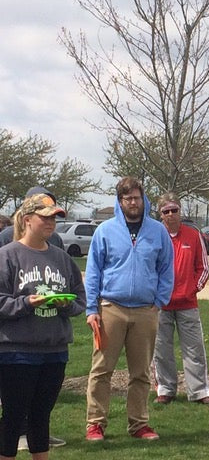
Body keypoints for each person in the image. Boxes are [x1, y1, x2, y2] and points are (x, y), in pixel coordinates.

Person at [84, 177, 174, 441]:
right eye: (127, 199)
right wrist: (92, 308)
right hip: (111, 307)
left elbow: (167, 269)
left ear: (143, 198)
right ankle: (96, 424)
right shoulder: (105, 231)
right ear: (120, 201)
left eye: (136, 197)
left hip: (146, 310)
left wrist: (159, 302)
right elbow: (93, 272)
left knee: (141, 372)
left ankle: (139, 424)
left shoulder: (158, 231)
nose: (133, 203)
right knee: (101, 370)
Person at [0, 193, 86, 459]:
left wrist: (64, 304)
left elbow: (79, 299)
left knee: (41, 416)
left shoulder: (61, 258)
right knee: (13, 417)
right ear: (27, 220)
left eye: (55, 219)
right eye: (45, 217)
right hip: (17, 351)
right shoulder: (7, 256)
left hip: (54, 351)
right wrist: (27, 303)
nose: (51, 223)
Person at [152, 192, 209, 405]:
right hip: (161, 305)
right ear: (160, 214)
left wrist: (193, 289)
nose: (170, 215)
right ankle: (165, 389)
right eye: (166, 211)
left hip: (187, 303)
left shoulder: (193, 235)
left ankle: (199, 391)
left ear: (180, 211)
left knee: (194, 349)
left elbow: (203, 267)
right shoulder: (154, 237)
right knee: (161, 349)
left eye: (174, 210)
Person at [0, 187, 64, 250]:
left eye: (52, 217)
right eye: (44, 217)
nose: (50, 222)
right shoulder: (6, 238)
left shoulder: (56, 240)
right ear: (27, 219)